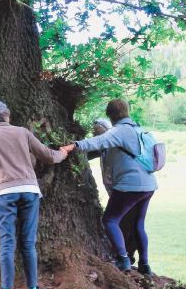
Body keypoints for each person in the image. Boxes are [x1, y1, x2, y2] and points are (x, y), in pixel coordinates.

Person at [0, 101, 66, 289]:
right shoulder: (22, 132)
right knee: (28, 243)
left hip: (3, 192)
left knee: (7, 243)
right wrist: (62, 153)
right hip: (28, 189)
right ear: (5, 115)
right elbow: (47, 155)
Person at [61, 99, 157, 275]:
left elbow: (97, 141)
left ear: (111, 115)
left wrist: (71, 146)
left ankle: (122, 259)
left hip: (131, 184)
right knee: (138, 224)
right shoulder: (138, 129)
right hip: (149, 183)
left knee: (110, 220)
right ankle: (145, 265)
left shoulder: (120, 130)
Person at [86, 118, 141, 265]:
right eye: (96, 134)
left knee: (129, 222)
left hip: (126, 188)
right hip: (114, 188)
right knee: (120, 221)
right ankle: (126, 255)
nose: (99, 136)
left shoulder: (116, 143)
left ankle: (129, 255)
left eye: (101, 132)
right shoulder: (102, 146)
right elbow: (86, 152)